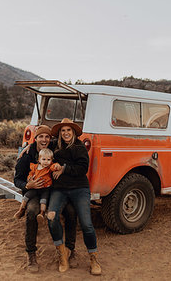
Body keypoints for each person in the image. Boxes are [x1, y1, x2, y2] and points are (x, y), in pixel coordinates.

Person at [13, 125, 78, 273]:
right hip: (35, 193)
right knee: (32, 211)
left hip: (54, 192)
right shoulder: (27, 156)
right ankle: (31, 253)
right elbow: (17, 180)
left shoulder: (54, 148)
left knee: (71, 210)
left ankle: (71, 250)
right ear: (35, 138)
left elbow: (72, 142)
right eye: (41, 137)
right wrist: (28, 185)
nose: (44, 139)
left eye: (47, 137)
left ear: (51, 139)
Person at [47, 118, 102, 275]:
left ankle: (94, 259)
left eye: (68, 130)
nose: (65, 133)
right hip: (60, 189)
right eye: (63, 130)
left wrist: (63, 168)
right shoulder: (54, 145)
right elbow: (39, 148)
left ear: (73, 132)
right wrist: (27, 150)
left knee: (86, 224)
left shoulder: (79, 147)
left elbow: (82, 168)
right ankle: (62, 255)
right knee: (51, 218)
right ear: (59, 133)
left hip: (79, 188)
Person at [13, 148, 61, 222]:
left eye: (48, 160)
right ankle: (21, 210)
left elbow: (54, 167)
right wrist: (29, 178)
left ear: (51, 160)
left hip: (45, 189)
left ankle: (42, 213)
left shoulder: (49, 168)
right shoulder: (35, 167)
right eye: (44, 159)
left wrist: (57, 165)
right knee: (26, 196)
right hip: (35, 188)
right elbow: (31, 173)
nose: (46, 162)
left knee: (43, 200)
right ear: (39, 159)